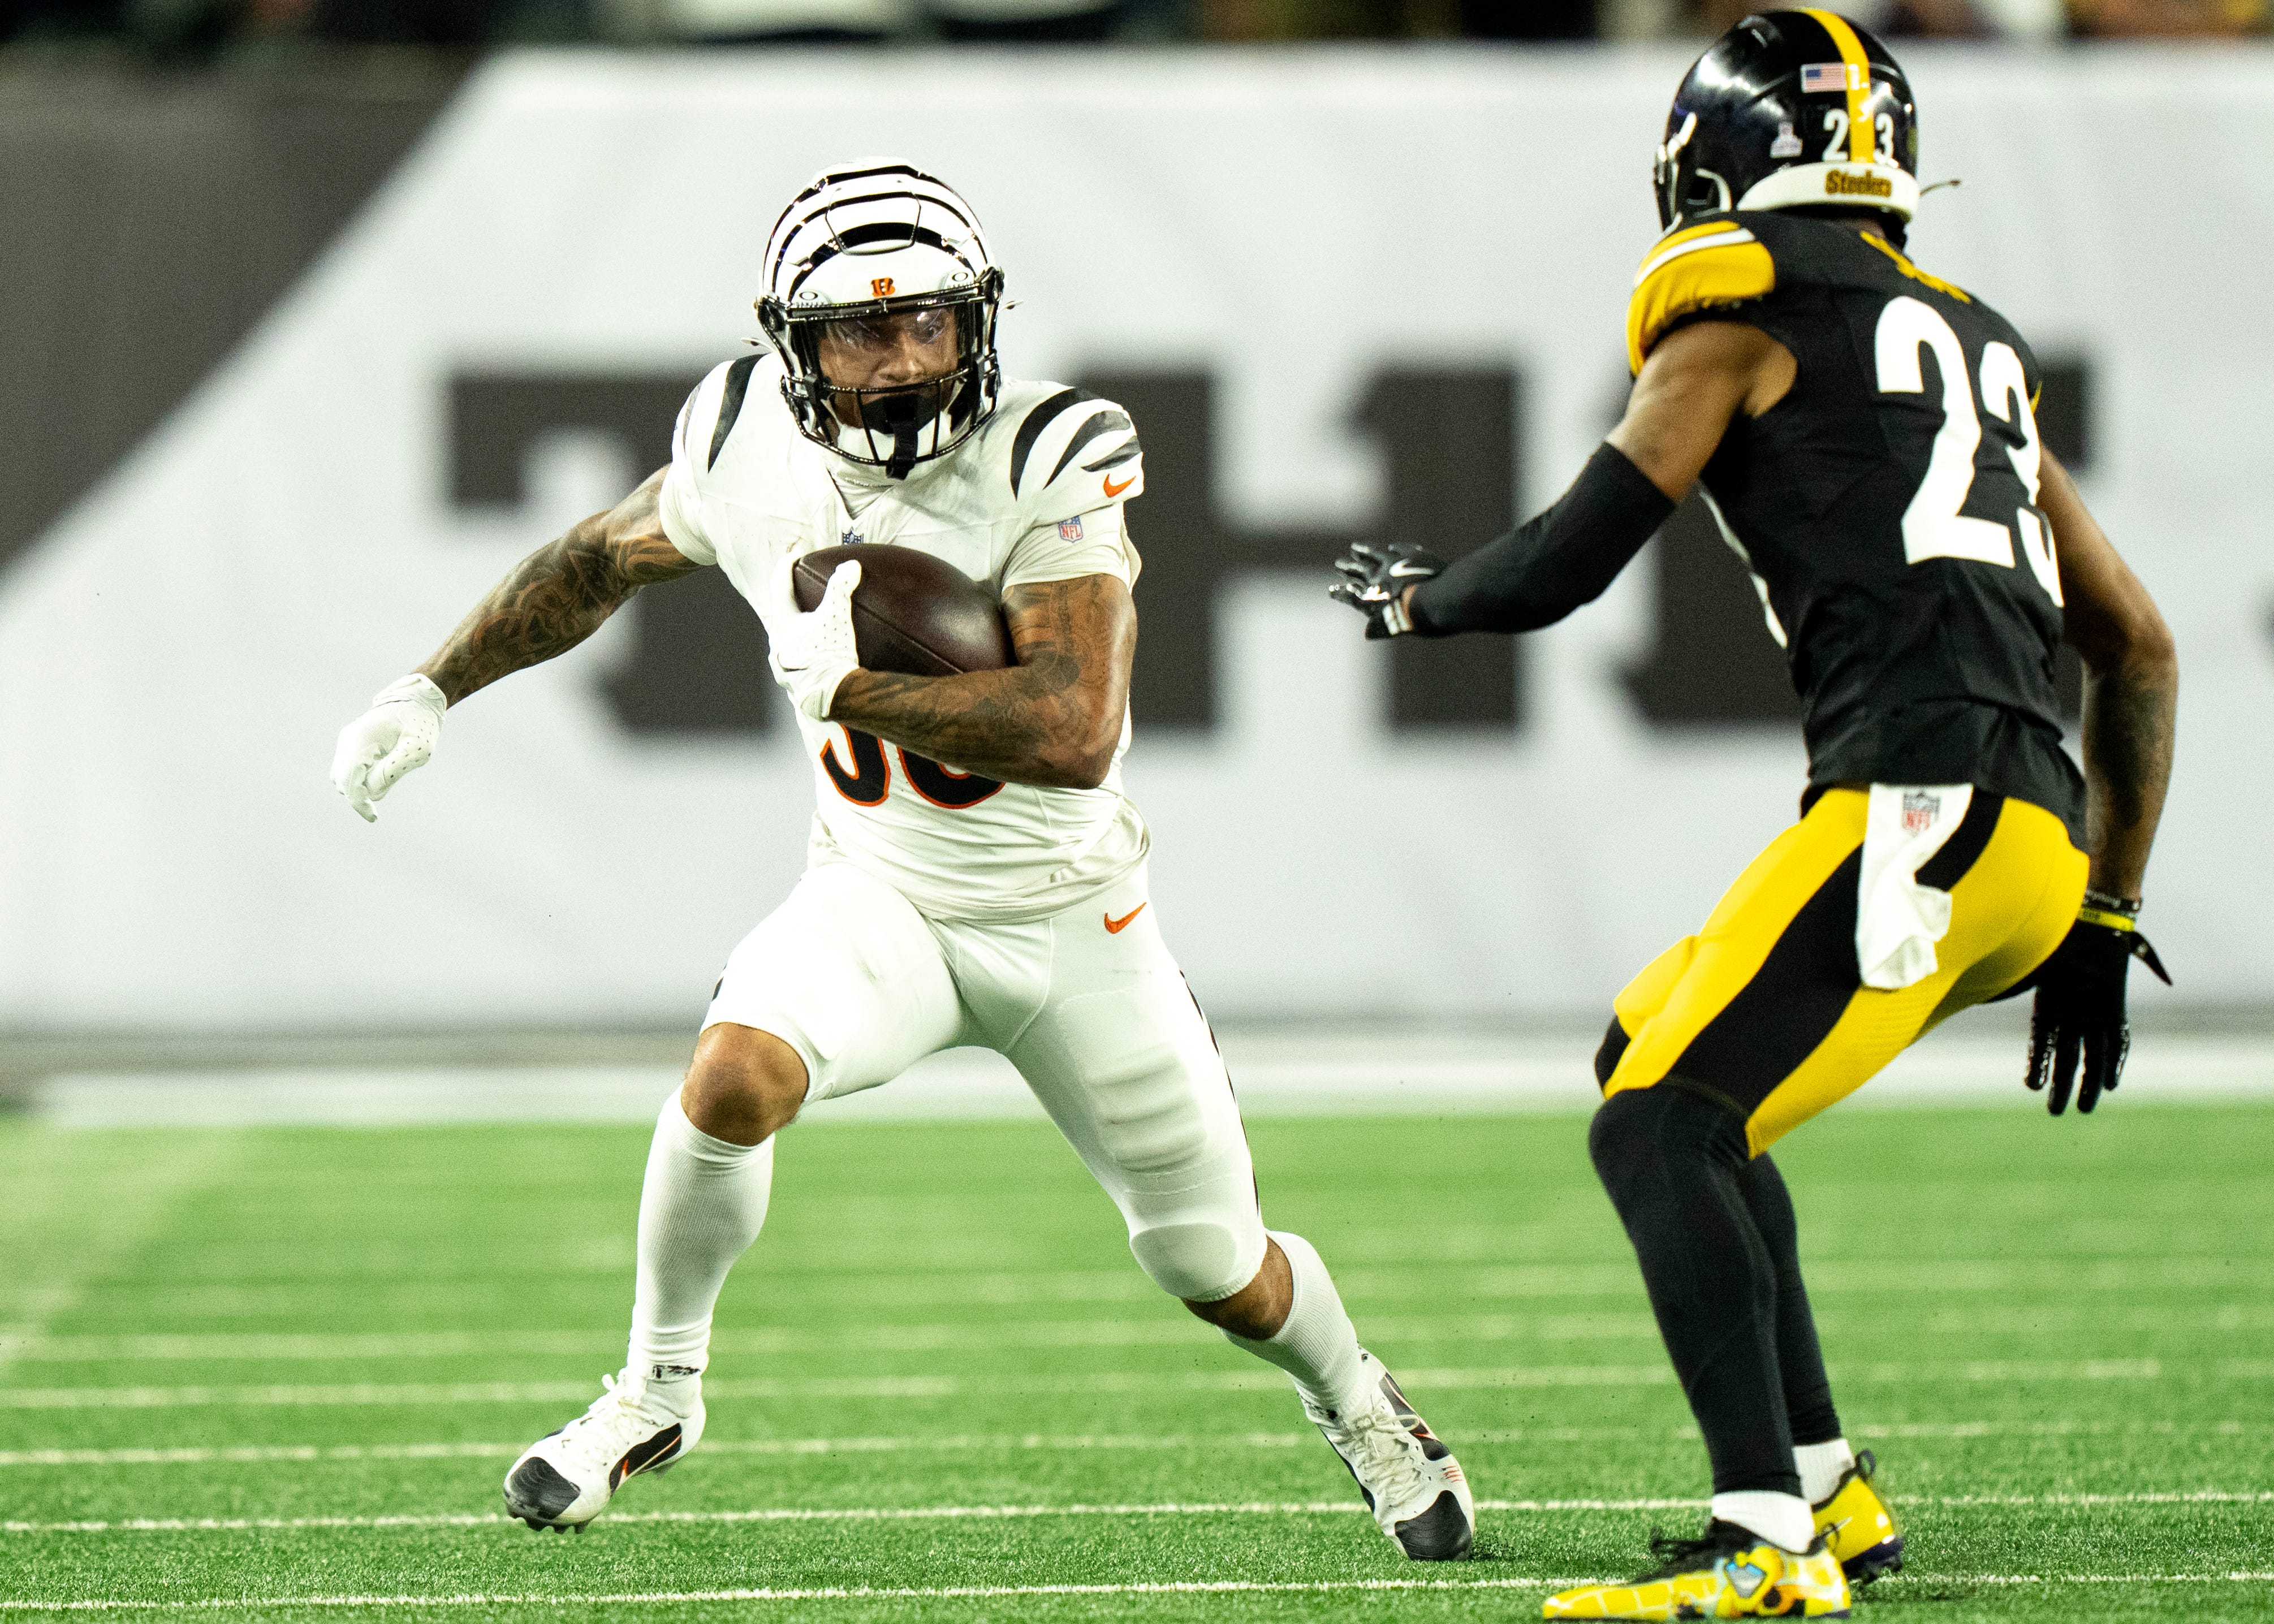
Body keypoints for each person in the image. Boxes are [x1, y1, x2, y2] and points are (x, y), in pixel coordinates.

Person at [330, 159, 1473, 1561]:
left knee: (1210, 1262)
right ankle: (657, 1387)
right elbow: (595, 556)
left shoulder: (1050, 449)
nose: (900, 360)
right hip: (882, 894)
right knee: (732, 1073)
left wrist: (852, 691)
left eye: (928, 323)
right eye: (860, 332)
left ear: (976, 321)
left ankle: (1360, 1400)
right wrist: (431, 686)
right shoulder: (743, 432)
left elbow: (1071, 726)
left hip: (1071, 922)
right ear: (792, 350)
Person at [1330, 14, 2174, 1617]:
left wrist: (1421, 604)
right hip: (2027, 834)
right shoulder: (1972, 341)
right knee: (1653, 1055)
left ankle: (1764, 1547)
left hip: (1920, 805)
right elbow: (2134, 643)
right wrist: (2106, 908)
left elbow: (1576, 551)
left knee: (1661, 1124)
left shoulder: (1735, 312)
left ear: (1711, 163)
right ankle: (1821, 1487)